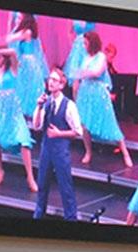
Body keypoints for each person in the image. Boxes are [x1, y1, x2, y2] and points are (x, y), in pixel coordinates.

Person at [0, 46, 37, 191]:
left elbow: (12, 52)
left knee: (24, 140)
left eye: (0, 56)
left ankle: (30, 176)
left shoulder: (13, 70)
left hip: (13, 110)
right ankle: (0, 170)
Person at [75, 31, 133, 167]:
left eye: (85, 43)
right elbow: (81, 74)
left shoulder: (101, 57)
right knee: (85, 124)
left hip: (98, 93)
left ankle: (125, 153)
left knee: (110, 123)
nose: (84, 46)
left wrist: (82, 72)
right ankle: (88, 152)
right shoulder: (86, 57)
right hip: (85, 93)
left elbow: (96, 72)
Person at [32, 68, 83, 221]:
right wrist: (39, 106)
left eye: (55, 80)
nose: (51, 82)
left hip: (60, 150)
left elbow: (78, 131)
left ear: (61, 85)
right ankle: (39, 215)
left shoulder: (69, 105)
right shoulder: (46, 102)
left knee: (65, 187)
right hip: (46, 149)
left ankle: (71, 218)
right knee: (42, 185)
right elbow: (36, 126)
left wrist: (60, 133)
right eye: (50, 79)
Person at [5, 14, 48, 118]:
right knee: (24, 87)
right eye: (17, 17)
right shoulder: (24, 31)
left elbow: (10, 39)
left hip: (29, 64)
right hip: (24, 63)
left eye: (19, 18)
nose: (17, 20)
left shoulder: (27, 32)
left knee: (28, 87)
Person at [64, 20, 96, 93]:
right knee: (75, 77)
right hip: (78, 48)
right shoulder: (72, 19)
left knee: (88, 74)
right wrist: (73, 45)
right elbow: (70, 32)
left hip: (90, 47)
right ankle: (76, 102)